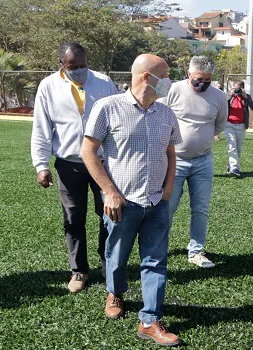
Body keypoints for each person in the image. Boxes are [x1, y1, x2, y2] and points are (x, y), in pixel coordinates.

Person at [81, 54, 182, 346]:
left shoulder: (166, 114)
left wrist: (169, 187)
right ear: (148, 78)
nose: (169, 81)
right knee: (117, 257)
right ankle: (115, 291)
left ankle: (150, 319)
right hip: (123, 203)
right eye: (166, 74)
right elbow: (88, 151)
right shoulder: (108, 107)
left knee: (156, 260)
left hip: (157, 202)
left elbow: (171, 153)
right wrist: (109, 192)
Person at [31, 42, 118, 293]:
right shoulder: (48, 86)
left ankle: (107, 261)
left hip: (103, 162)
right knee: (73, 218)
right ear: (62, 64)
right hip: (69, 164)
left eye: (82, 65)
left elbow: (116, 121)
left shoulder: (103, 82)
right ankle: (79, 271)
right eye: (73, 67)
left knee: (109, 215)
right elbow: (41, 127)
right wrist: (41, 164)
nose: (79, 70)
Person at [160, 56, 228, 268]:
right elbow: (160, 118)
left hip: (203, 161)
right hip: (174, 161)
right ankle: (158, 248)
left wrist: (201, 140)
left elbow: (219, 125)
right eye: (199, 79)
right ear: (189, 74)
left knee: (200, 208)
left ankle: (196, 251)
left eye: (207, 80)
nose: (203, 84)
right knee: (167, 207)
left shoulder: (219, 96)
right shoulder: (172, 91)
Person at [225, 80, 253, 177]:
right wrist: (230, 95)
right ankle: (235, 168)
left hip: (241, 125)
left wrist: (246, 97)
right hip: (229, 124)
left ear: (242, 88)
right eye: (235, 88)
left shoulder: (246, 97)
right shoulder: (229, 96)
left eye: (239, 88)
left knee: (238, 148)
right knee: (232, 146)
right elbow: (222, 105)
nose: (237, 90)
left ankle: (230, 165)